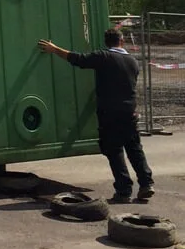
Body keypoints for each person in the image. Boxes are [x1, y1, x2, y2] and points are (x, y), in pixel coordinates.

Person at [38, 29, 154, 203]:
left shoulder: (104, 57)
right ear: (122, 41)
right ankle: (146, 183)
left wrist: (54, 49)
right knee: (135, 148)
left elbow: (78, 59)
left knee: (114, 151)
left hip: (109, 112)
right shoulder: (132, 62)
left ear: (107, 43)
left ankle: (124, 190)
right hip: (129, 111)